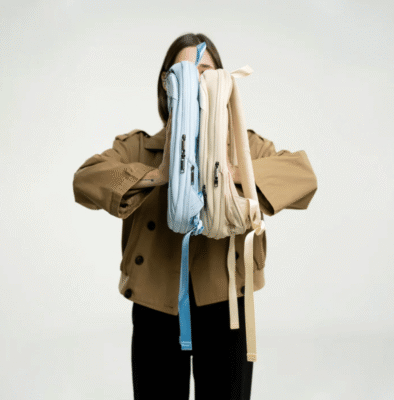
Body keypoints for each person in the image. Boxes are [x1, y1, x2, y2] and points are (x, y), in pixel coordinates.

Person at [73, 32, 318, 400]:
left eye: (205, 72)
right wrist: (159, 174)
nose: (195, 81)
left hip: (227, 304)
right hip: (156, 304)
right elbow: (85, 181)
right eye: (183, 72)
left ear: (223, 81)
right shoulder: (138, 147)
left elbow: (303, 177)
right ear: (166, 83)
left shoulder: (246, 146)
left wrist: (231, 171)